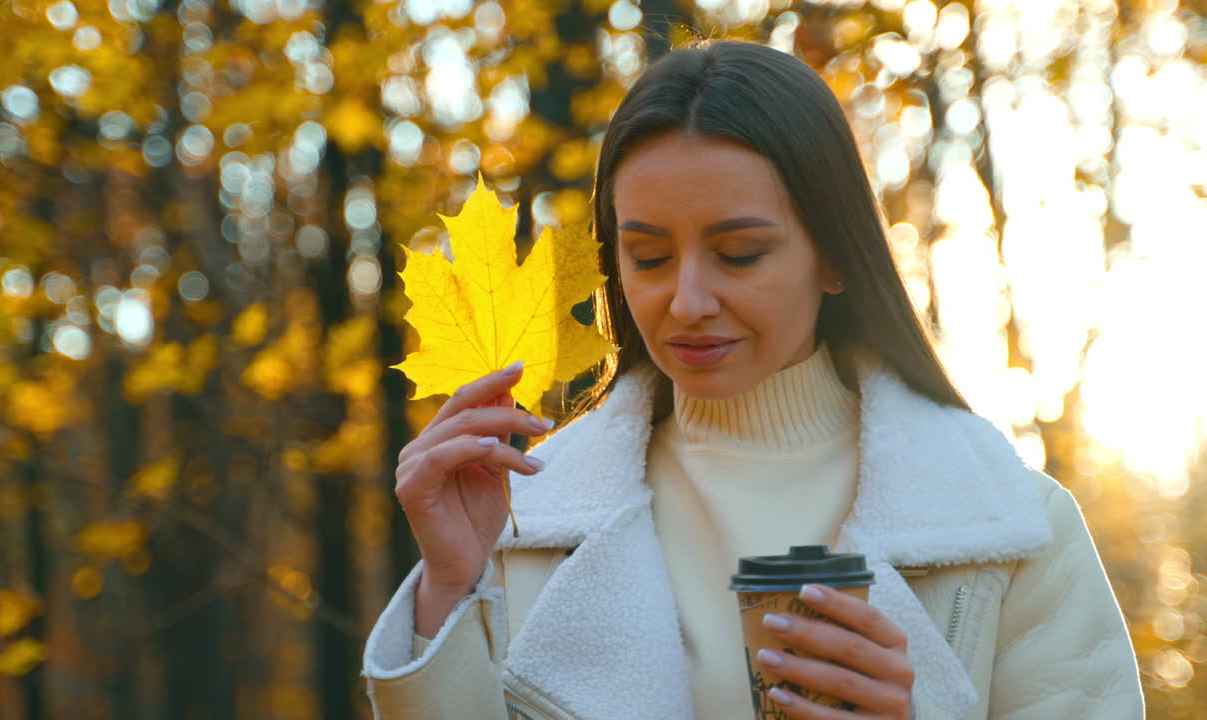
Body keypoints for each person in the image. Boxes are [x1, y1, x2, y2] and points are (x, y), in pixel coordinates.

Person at [362, 39, 1143, 719]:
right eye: (649, 257)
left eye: (739, 254)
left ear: (834, 255)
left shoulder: (1010, 526)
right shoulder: (524, 519)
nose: (688, 301)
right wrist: (449, 590)